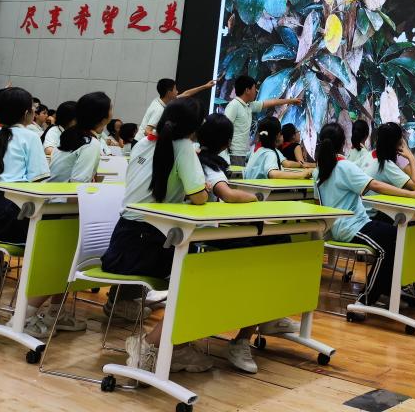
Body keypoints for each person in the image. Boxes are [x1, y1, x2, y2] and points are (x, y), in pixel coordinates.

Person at [100, 97, 214, 374]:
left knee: (195, 273)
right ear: (193, 128)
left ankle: (173, 344)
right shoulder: (183, 147)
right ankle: (152, 347)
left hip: (123, 243)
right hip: (148, 244)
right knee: (200, 277)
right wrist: (205, 188)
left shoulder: (143, 143)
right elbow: (199, 197)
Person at [189, 112, 301, 374]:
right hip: (203, 236)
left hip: (208, 231)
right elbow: (228, 195)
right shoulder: (207, 164)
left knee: (280, 241)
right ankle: (247, 334)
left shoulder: (198, 157)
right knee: (266, 256)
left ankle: (269, 315)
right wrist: (254, 199)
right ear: (227, 141)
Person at [0, 86, 86, 337]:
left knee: (65, 239)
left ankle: (46, 312)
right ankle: (26, 315)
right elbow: (39, 183)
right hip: (17, 213)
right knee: (66, 246)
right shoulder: (29, 137)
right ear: (27, 113)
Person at [313, 121, 415, 308]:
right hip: (352, 227)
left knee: (396, 236)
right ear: (343, 143)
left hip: (341, 227)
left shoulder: (318, 171)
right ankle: (366, 299)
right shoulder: (344, 167)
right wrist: (412, 194)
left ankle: (388, 289)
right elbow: (375, 185)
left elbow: (319, 204)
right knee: (391, 243)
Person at [222, 75, 301, 167]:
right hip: (234, 153)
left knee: (238, 174)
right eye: (254, 89)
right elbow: (224, 128)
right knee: (235, 175)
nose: (255, 92)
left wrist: (291, 101)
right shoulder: (234, 105)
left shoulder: (249, 105)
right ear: (247, 90)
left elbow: (269, 102)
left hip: (242, 153)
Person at [48, 92, 112, 182]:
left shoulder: (70, 134)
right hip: (64, 190)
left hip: (52, 188)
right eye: (110, 108)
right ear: (103, 116)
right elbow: (78, 183)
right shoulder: (90, 143)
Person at [138, 77, 217, 140]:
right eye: (175, 89)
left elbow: (186, 94)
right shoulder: (159, 110)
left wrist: (205, 86)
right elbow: (147, 131)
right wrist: (164, 141)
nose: (177, 91)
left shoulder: (162, 100)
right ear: (169, 92)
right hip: (141, 142)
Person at [243, 117, 313, 180]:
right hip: (262, 190)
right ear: (278, 135)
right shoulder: (270, 153)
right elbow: (273, 173)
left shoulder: (256, 150)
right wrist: (302, 174)